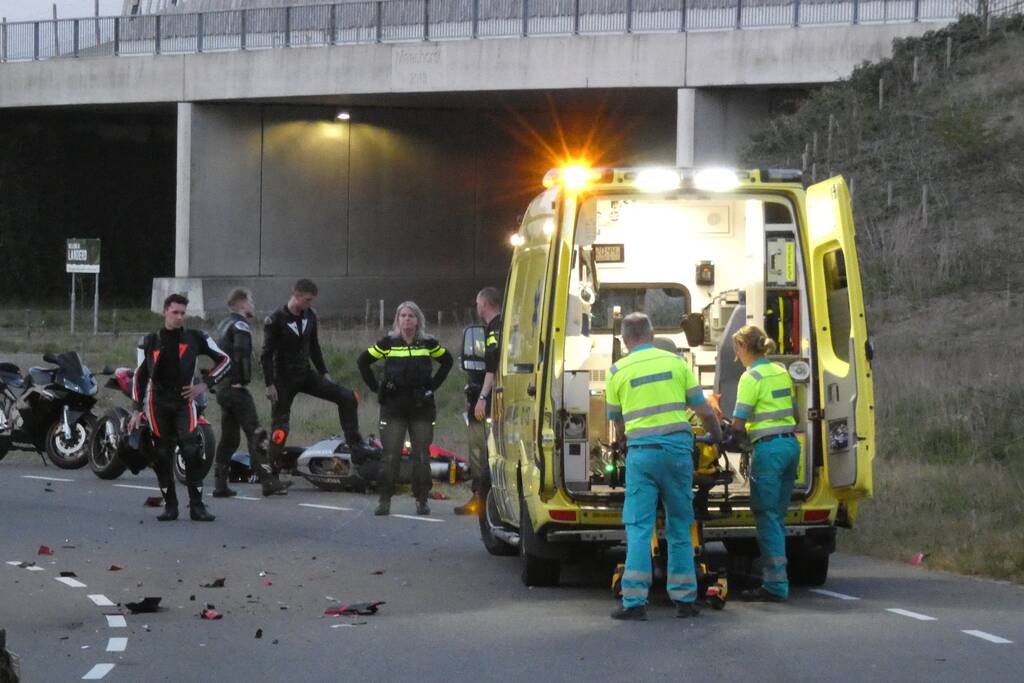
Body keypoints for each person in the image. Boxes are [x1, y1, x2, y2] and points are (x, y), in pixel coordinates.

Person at [606, 312, 722, 621]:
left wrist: (622, 443)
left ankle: (634, 603)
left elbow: (616, 421)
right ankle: (684, 600)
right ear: (652, 333)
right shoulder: (677, 364)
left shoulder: (616, 370)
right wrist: (719, 435)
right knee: (680, 524)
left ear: (624, 339)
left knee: (640, 527)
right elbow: (703, 409)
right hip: (677, 453)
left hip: (641, 456)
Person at [130, 293, 231, 522]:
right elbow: (140, 375)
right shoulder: (151, 341)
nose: (179, 317)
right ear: (165, 311)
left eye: (183, 313)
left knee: (191, 450)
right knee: (161, 454)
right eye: (175, 312)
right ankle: (170, 505)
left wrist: (205, 384)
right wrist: (136, 408)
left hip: (185, 401)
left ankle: (197, 506)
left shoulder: (196, 337)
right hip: (157, 402)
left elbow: (225, 360)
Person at [357, 301, 453, 517]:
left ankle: (421, 499)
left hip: (421, 407)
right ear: (397, 320)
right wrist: (377, 388)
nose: (407, 319)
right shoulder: (389, 343)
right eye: (403, 315)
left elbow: (447, 361)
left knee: (421, 455)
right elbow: (363, 361)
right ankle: (384, 500)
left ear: (418, 320)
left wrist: (432, 386)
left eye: (411, 315)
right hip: (393, 407)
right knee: (390, 455)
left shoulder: (428, 344)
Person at [262, 279, 366, 473]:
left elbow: (314, 347)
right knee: (280, 427)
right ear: (297, 295)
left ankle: (356, 446)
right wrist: (270, 384)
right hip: (283, 380)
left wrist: (324, 373)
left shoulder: (310, 315)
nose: (310, 304)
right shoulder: (275, 319)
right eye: (308, 300)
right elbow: (266, 354)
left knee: (347, 397)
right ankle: (271, 473)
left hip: (306, 374)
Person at [730, 325, 800, 603]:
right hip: (790, 446)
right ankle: (777, 575)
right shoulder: (781, 372)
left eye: (737, 349)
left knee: (766, 516)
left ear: (744, 348)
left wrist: (731, 435)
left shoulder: (751, 377)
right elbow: (792, 411)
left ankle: (775, 584)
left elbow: (738, 423)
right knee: (777, 516)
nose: (737, 355)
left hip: (769, 451)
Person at [212, 288, 291, 498]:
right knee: (257, 435)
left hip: (222, 388)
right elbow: (242, 355)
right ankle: (268, 481)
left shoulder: (222, 324)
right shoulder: (240, 325)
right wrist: (242, 381)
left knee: (229, 438)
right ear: (241, 303)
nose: (253, 306)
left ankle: (219, 484)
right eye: (251, 301)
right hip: (236, 388)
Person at [455, 286, 502, 516]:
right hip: (504, 399)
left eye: (477, 303)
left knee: (480, 450)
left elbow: (492, 366)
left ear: (484, 304)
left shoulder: (494, 329)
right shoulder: (506, 324)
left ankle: (480, 498)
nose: (477, 307)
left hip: (492, 400)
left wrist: (482, 398)